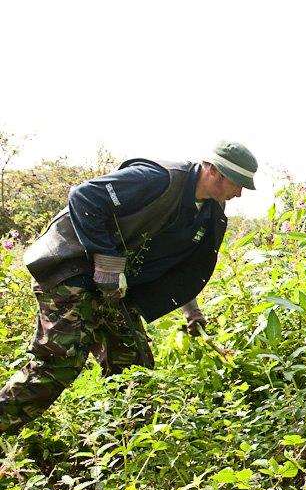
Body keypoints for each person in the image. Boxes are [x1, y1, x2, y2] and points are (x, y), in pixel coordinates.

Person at [0, 141, 257, 430]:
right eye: (237, 184)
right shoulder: (158, 178)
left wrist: (191, 311)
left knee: (134, 369)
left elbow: (177, 264)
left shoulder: (208, 212)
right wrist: (107, 263)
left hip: (116, 289)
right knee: (58, 364)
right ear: (214, 172)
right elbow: (84, 197)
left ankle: (125, 450)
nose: (239, 193)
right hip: (72, 270)